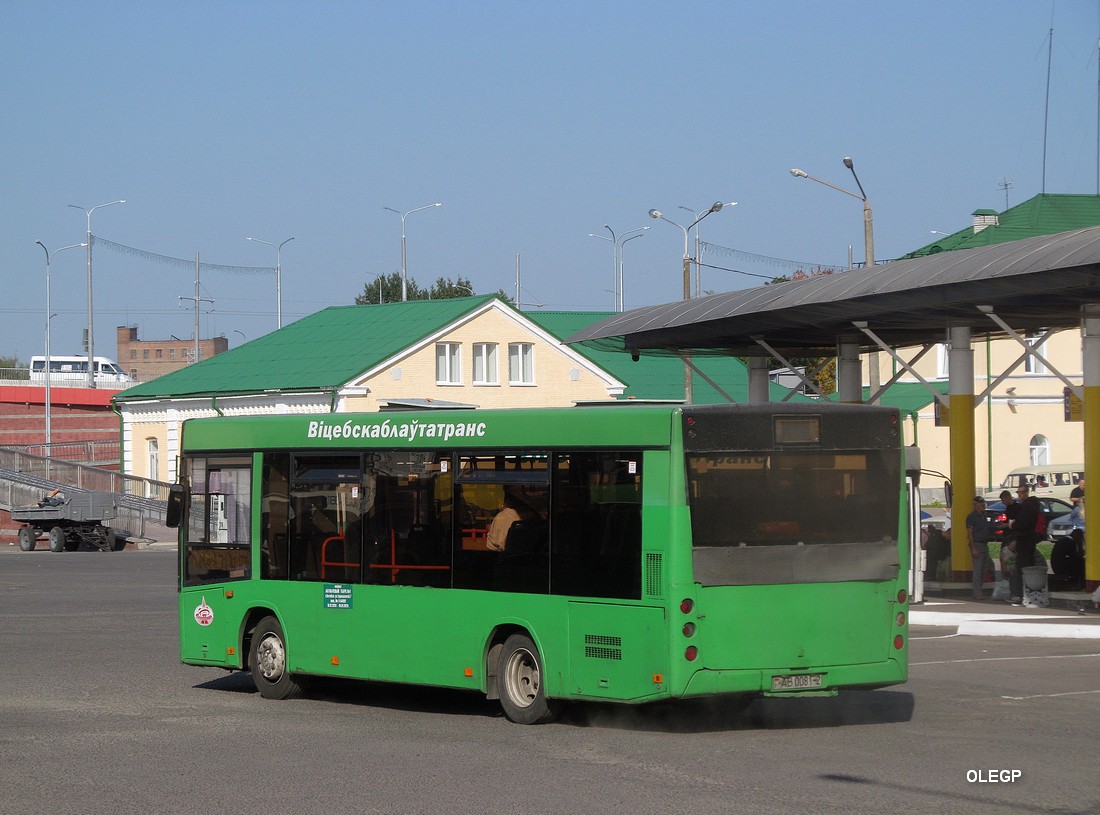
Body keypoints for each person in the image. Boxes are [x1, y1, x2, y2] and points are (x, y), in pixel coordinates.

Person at [1008, 485, 1042, 605]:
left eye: (1021, 492)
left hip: (1024, 542)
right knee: (1028, 567)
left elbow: (1022, 525)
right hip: (1030, 541)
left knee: (1021, 568)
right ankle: (1029, 594)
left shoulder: (1026, 507)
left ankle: (1023, 595)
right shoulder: (1034, 506)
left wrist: (1012, 525)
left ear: (1027, 492)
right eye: (1018, 492)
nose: (1019, 495)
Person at [965, 496, 994, 600]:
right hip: (977, 544)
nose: (984, 507)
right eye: (982, 505)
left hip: (984, 544)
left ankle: (977, 591)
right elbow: (970, 533)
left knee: (984, 568)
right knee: (978, 569)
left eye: (984, 505)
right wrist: (973, 548)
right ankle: (977, 593)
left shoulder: (984, 515)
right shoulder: (971, 517)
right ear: (976, 505)